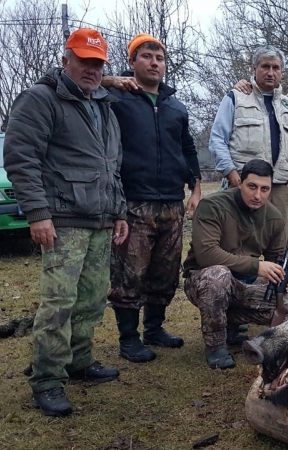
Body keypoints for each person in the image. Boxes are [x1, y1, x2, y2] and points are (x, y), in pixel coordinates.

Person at [3, 28, 127, 417]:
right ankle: (47, 379)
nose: (91, 70)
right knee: (59, 301)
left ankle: (79, 359)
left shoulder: (104, 105)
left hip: (101, 219)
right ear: (65, 60)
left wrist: (119, 211)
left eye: (97, 64)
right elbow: (21, 158)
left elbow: (113, 167)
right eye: (84, 61)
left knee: (93, 297)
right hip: (63, 220)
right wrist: (38, 214)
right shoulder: (40, 99)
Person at [99, 34, 202, 363]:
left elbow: (187, 148)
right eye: (146, 56)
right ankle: (128, 338)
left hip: (171, 201)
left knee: (164, 272)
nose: (154, 63)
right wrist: (109, 80)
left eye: (159, 58)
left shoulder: (176, 107)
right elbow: (77, 84)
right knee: (130, 273)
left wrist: (196, 185)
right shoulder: (116, 99)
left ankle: (154, 329)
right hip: (134, 202)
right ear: (132, 62)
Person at [182, 159, 288, 369]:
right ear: (240, 183)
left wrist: (285, 279)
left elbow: (275, 260)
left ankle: (243, 332)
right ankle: (216, 348)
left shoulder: (274, 217)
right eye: (252, 187)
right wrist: (257, 266)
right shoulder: (212, 206)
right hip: (204, 281)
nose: (258, 195)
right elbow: (206, 254)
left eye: (264, 189)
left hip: (245, 284)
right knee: (218, 276)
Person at [209, 45, 288, 227]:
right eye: (265, 66)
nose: (270, 72)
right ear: (254, 69)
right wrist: (232, 175)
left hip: (281, 189)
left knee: (278, 241)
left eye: (275, 68)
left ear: (282, 72)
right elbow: (217, 140)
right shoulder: (236, 98)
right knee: (237, 238)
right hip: (243, 186)